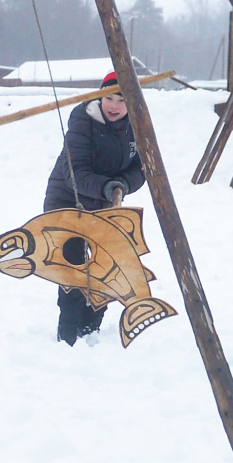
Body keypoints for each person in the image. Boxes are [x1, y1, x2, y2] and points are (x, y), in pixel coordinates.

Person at [42, 71, 147, 345]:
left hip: (105, 204)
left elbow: (142, 169)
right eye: (108, 98)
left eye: (120, 101)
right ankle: (67, 336)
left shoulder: (138, 124)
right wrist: (107, 187)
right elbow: (74, 172)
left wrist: (122, 184)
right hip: (67, 200)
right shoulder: (83, 121)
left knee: (106, 269)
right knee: (73, 269)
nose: (113, 106)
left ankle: (91, 330)